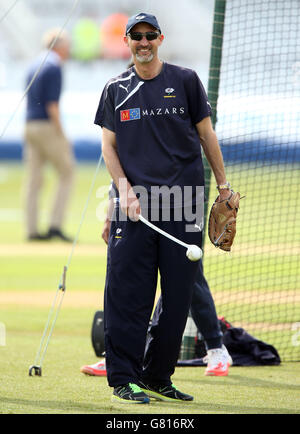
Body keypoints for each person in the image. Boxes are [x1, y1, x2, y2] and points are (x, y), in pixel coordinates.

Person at [94, 12, 233, 404]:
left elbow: (207, 134)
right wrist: (122, 194)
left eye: (149, 35)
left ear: (160, 38)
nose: (143, 41)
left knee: (177, 299)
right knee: (128, 297)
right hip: (133, 209)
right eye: (135, 36)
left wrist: (223, 187)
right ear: (126, 41)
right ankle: (124, 377)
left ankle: (158, 375)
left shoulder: (186, 81)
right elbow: (109, 146)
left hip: (184, 203)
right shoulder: (115, 88)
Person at [80, 192, 232, 378]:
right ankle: (120, 357)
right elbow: (118, 173)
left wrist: (223, 187)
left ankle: (216, 348)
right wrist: (110, 215)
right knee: (131, 281)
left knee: (189, 277)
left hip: (178, 201)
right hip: (134, 204)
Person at [24, 28, 74, 242]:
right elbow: (52, 105)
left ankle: (32, 229)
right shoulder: (54, 67)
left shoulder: (34, 65)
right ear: (59, 46)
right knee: (67, 172)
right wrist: (61, 132)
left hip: (29, 125)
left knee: (33, 179)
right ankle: (55, 224)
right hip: (46, 125)